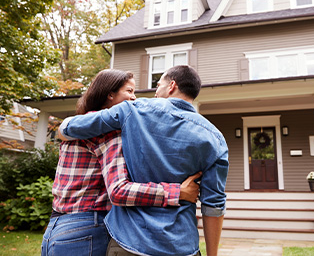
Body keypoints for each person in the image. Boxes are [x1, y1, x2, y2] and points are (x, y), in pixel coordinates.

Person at [59, 65, 229, 256]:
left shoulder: (133, 110)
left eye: (158, 85)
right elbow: (213, 205)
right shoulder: (216, 138)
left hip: (129, 242)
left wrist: (63, 128)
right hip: (181, 245)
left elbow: (71, 127)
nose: (155, 92)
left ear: (171, 86)